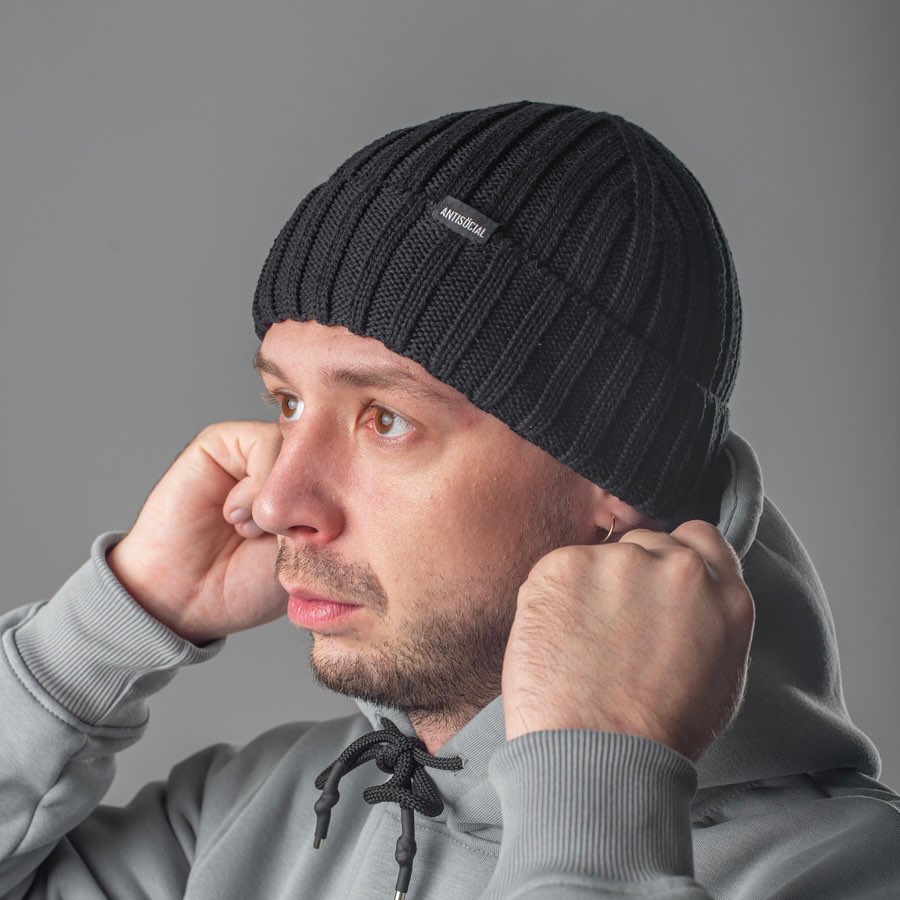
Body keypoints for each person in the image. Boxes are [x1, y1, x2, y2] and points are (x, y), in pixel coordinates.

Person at [1, 101, 897, 900]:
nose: (273, 502)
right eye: (287, 402)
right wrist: (104, 630)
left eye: (386, 419)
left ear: (614, 479)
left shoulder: (845, 872)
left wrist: (597, 801)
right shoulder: (251, 818)